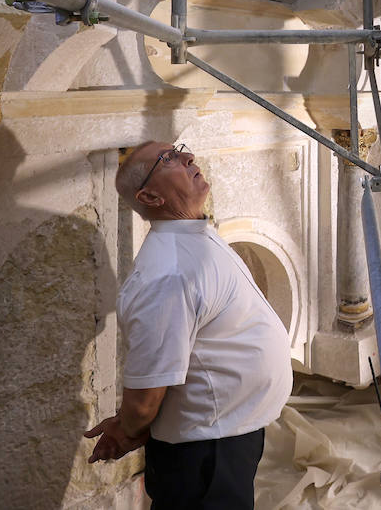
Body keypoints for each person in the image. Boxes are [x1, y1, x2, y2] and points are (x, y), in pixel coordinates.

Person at [84, 141, 292, 509]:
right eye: (170, 159)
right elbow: (146, 396)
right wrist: (129, 428)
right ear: (150, 196)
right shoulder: (166, 274)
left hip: (226, 436)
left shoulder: (192, 236)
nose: (189, 158)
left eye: (181, 150)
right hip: (205, 452)